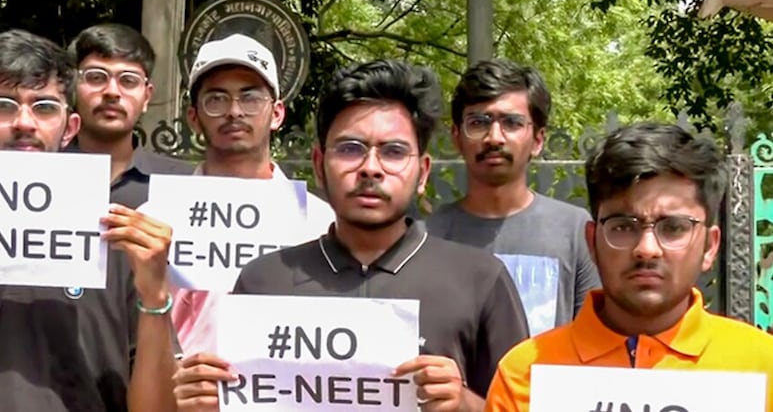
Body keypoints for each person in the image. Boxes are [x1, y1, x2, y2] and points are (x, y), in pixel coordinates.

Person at [172, 59, 530, 412]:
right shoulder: (264, 281)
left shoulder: (480, 280)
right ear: (319, 165)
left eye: (393, 152)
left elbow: (523, 406)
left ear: (422, 172)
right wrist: (202, 400)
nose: (370, 168)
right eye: (350, 149)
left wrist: (465, 404)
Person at [484, 122, 773, 411]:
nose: (647, 249)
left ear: (709, 246)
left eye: (673, 227)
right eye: (623, 227)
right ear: (592, 241)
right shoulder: (526, 374)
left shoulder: (762, 367)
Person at [0, 29, 178, 411]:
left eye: (44, 107)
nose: (24, 122)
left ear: (70, 129)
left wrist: (155, 296)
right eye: (4, 105)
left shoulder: (113, 234)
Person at [170, 33, 335, 355]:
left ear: (277, 113)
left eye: (250, 98)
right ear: (193, 118)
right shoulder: (156, 219)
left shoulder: (321, 223)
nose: (234, 111)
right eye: (216, 99)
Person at [426, 59, 599, 336]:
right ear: (457, 137)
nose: (494, 137)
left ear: (538, 140)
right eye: (478, 123)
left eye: (512, 123)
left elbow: (591, 339)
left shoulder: (575, 230)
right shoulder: (428, 236)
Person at [68, 23, 193, 209]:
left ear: (146, 97)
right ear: (72, 87)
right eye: (96, 77)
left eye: (128, 80)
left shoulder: (184, 184)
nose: (112, 92)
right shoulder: (42, 173)